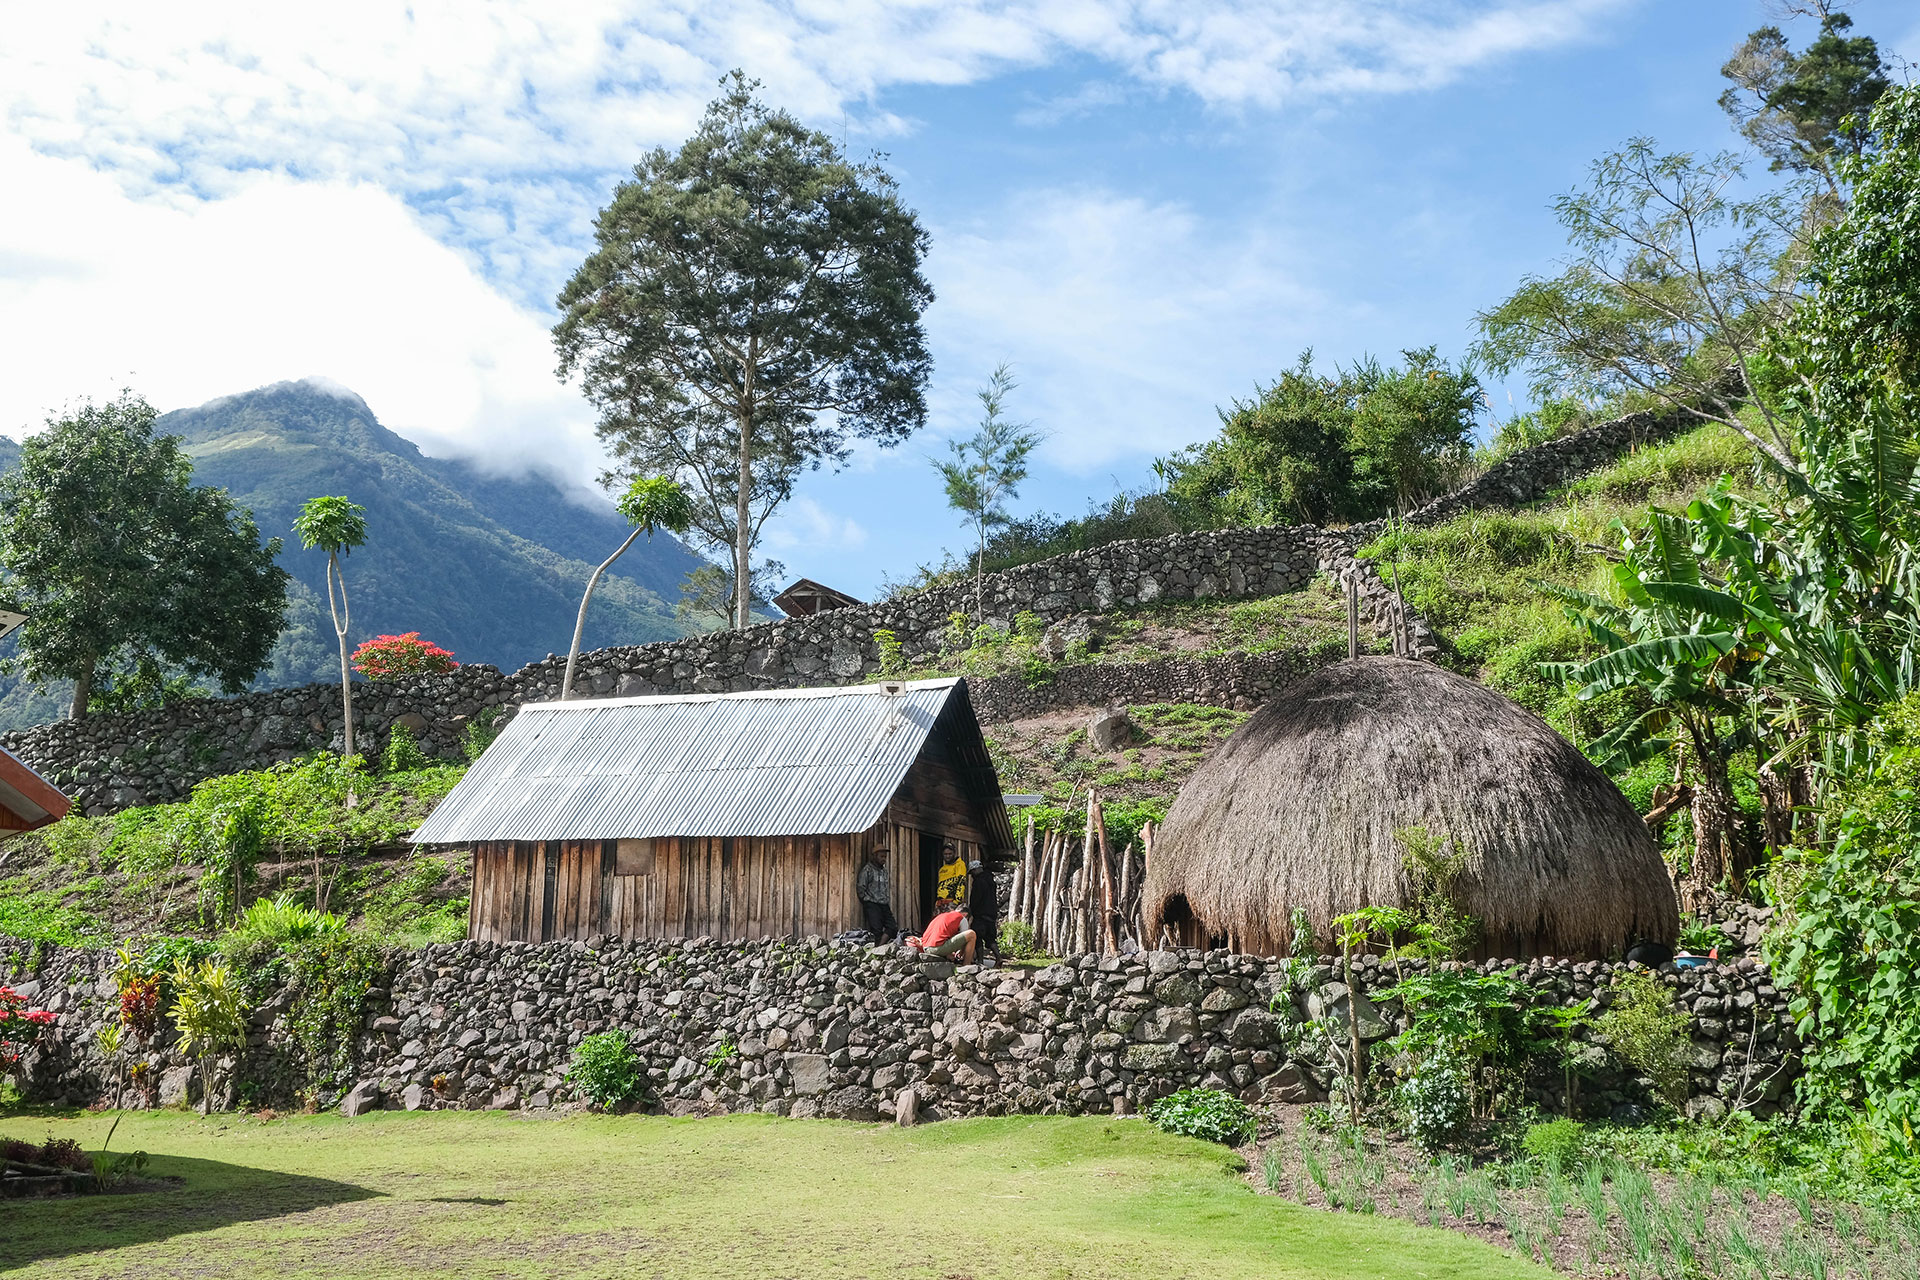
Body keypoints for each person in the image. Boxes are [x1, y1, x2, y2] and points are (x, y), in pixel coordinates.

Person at [857, 844, 899, 942]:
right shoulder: (867, 870)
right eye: (881, 856)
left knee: (892, 927)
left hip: (884, 904)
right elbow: (861, 888)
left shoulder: (884, 871)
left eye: (885, 857)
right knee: (876, 929)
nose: (884, 859)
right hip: (872, 904)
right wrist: (867, 900)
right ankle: (877, 948)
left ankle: (880, 946)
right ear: (875, 856)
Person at [966, 859, 999, 961]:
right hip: (991, 914)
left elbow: (975, 899)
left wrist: (971, 911)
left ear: (975, 870)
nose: (972, 875)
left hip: (980, 915)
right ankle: (998, 958)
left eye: (972, 872)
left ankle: (980, 961)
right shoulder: (991, 881)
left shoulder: (978, 882)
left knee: (977, 937)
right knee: (990, 939)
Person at [934, 840, 968, 909]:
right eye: (945, 854)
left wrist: (956, 901)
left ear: (954, 853)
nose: (947, 856)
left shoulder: (959, 864)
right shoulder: (942, 869)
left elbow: (961, 882)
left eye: (950, 854)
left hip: (952, 902)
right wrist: (938, 901)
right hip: (941, 902)